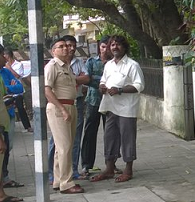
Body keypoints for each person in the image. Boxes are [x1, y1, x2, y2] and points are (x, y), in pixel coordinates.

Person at [90, 35, 144, 183]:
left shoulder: (132, 65)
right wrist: (102, 86)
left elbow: (139, 86)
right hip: (110, 106)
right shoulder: (108, 65)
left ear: (125, 47)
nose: (115, 47)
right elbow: (103, 80)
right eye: (112, 45)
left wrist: (120, 90)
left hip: (127, 108)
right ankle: (109, 169)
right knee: (109, 137)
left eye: (118, 45)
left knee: (127, 138)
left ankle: (128, 170)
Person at [44, 38, 84, 194]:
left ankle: (58, 179)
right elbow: (47, 90)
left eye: (67, 46)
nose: (66, 49)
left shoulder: (67, 66)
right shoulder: (52, 66)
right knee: (65, 146)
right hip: (59, 107)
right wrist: (62, 109)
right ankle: (67, 183)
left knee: (62, 147)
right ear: (53, 51)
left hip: (70, 105)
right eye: (61, 47)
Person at [80, 36, 111, 175]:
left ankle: (110, 163)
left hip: (109, 101)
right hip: (93, 100)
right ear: (100, 47)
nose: (105, 50)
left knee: (110, 133)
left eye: (108, 47)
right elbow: (87, 79)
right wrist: (101, 83)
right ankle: (87, 165)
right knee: (90, 132)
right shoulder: (92, 62)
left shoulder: (113, 63)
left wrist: (97, 80)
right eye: (103, 47)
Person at [0, 46, 23, 201]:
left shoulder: (5, 73)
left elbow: (19, 87)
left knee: (4, 156)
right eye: (2, 55)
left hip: (6, 121)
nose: (5, 58)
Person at [3, 50, 32, 133]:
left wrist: (10, 68)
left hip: (17, 92)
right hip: (8, 93)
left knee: (20, 107)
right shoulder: (3, 67)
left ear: (8, 56)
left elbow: (17, 76)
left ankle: (27, 126)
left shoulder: (18, 65)